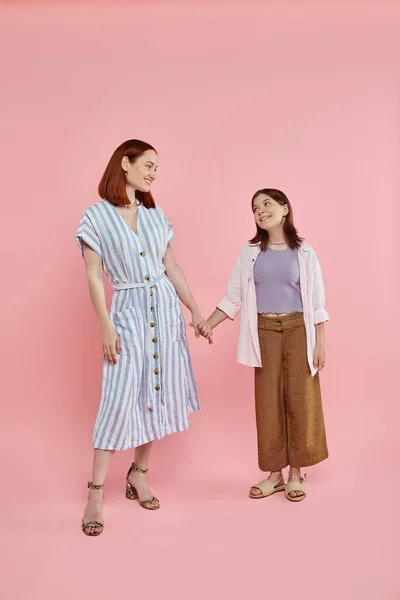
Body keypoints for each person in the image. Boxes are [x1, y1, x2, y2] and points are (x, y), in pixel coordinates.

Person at [76, 139, 208, 536]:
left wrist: (196, 311)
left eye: (156, 168)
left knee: (156, 393)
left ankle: (140, 472)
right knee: (118, 400)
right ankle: (95, 492)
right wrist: (105, 325)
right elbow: (94, 277)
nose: (153, 173)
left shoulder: (154, 214)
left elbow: (172, 267)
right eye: (148, 164)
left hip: (165, 314)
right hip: (128, 314)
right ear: (125, 162)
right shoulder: (95, 217)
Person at [199, 189, 329, 502]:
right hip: (265, 330)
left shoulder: (305, 253)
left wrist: (320, 344)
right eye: (255, 208)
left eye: (266, 204)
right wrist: (207, 323)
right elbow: (234, 297)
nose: (260, 211)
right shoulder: (249, 252)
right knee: (268, 401)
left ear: (284, 208)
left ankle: (297, 473)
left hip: (299, 329)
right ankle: (275, 474)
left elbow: (317, 303)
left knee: (301, 399)